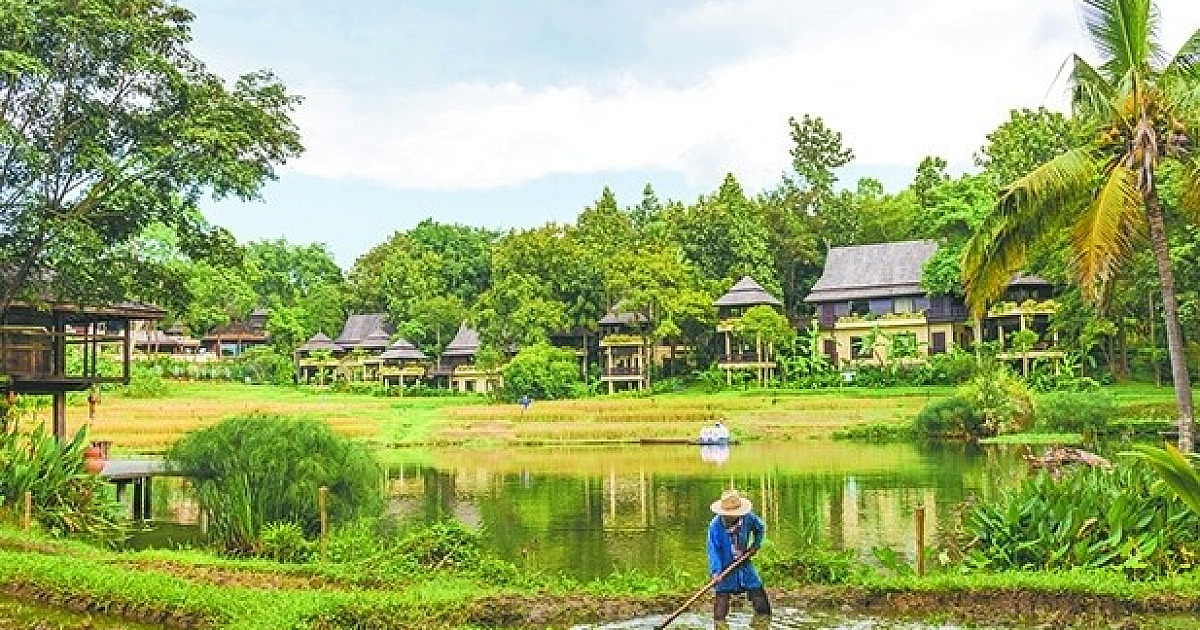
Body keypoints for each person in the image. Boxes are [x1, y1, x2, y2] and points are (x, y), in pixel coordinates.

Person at [707, 488, 771, 621]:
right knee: (720, 608)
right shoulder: (715, 526)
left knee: (760, 599)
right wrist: (716, 572)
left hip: (744, 562)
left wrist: (755, 545)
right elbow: (713, 551)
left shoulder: (748, 518)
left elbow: (760, 528)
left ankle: (764, 622)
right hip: (724, 567)